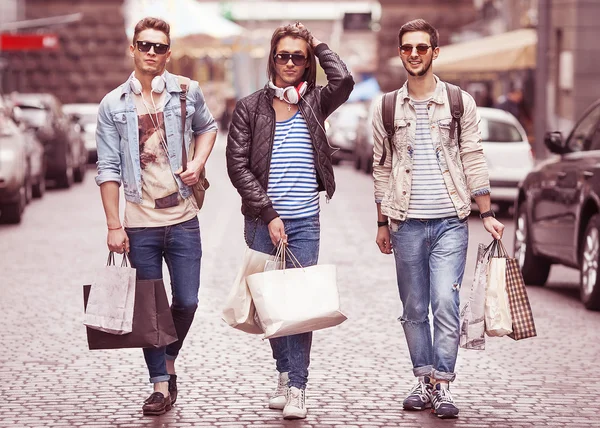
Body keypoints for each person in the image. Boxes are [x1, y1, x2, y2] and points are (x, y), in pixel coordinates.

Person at [372, 19, 505, 419]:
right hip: (405, 222)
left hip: (450, 220)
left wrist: (487, 211)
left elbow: (472, 157)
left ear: (435, 52)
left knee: (445, 302)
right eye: (407, 48)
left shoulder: (459, 102)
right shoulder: (386, 106)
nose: (414, 54)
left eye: (421, 48)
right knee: (414, 307)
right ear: (401, 53)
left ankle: (442, 384)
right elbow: (382, 168)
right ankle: (422, 379)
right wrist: (381, 222)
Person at [226, 22, 353, 420]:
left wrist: (317, 44)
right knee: (270, 305)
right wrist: (268, 213)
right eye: (283, 55)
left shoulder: (315, 101)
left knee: (297, 306)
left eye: (299, 56)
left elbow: (345, 79)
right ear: (272, 58)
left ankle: (298, 387)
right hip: (263, 221)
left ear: (308, 61)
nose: (291, 62)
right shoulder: (250, 107)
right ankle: (284, 374)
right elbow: (237, 167)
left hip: (305, 222)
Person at [95, 17, 218, 416]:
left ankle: (167, 362)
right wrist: (115, 225)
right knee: (150, 310)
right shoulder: (113, 105)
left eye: (159, 47)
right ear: (132, 48)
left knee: (187, 301)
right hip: (139, 223)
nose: (151, 52)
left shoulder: (186, 91)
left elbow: (208, 128)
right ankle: (160, 384)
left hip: (183, 218)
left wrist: (198, 163)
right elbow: (108, 167)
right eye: (144, 45)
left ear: (168, 52)